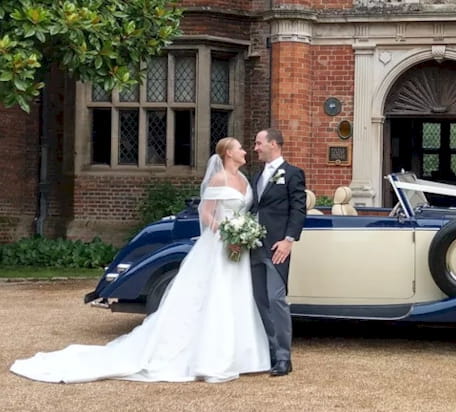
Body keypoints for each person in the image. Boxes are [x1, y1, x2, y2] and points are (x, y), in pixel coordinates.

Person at [10, 138, 270, 383]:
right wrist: (225, 233)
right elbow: (205, 212)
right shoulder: (218, 178)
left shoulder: (244, 180)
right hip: (219, 246)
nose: (245, 151)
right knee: (214, 296)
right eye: (240, 148)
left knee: (237, 296)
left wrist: (243, 232)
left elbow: (246, 211)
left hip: (239, 248)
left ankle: (242, 356)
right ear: (228, 153)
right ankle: (211, 359)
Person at [251, 128, 306, 377]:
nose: (255, 148)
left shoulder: (293, 174)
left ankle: (284, 357)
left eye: (259, 143)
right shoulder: (256, 176)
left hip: (277, 247)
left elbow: (298, 209)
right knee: (261, 301)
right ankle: (271, 354)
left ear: (273, 144)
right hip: (253, 246)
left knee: (276, 299)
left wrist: (288, 240)